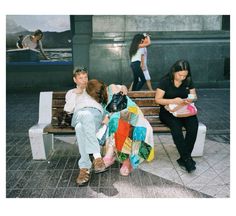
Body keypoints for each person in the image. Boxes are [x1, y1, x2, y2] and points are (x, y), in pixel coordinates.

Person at [86, 80, 154, 176]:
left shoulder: (111, 87)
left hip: (134, 116)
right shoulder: (99, 102)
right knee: (117, 125)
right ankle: (119, 158)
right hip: (121, 123)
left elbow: (122, 98)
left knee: (118, 123)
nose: (100, 96)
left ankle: (120, 159)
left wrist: (122, 89)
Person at [64, 67, 108, 186]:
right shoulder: (71, 93)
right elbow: (68, 110)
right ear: (75, 80)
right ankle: (97, 157)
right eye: (80, 78)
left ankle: (84, 168)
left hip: (96, 117)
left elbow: (106, 99)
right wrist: (76, 95)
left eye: (85, 77)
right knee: (85, 115)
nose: (84, 80)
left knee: (79, 128)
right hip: (79, 114)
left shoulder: (93, 88)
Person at [155, 60, 198, 173]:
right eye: (180, 75)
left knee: (194, 126)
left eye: (185, 75)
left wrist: (190, 99)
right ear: (174, 71)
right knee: (176, 128)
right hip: (168, 112)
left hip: (184, 110)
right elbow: (158, 99)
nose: (182, 77)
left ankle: (184, 158)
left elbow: (194, 96)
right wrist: (173, 100)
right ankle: (187, 159)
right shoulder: (165, 81)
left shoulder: (188, 80)